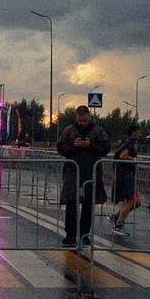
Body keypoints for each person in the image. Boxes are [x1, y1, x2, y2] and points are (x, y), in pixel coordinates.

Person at [54, 103, 110, 246]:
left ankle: (85, 234)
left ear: (89, 117)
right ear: (76, 118)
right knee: (71, 203)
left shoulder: (98, 131)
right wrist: (73, 145)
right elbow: (60, 147)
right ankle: (70, 235)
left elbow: (106, 148)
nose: (83, 123)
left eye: (85, 120)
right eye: (80, 120)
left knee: (88, 204)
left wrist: (90, 145)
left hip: (91, 171)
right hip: (73, 172)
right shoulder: (69, 130)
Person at [110, 126, 144, 234]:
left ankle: (115, 217)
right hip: (125, 175)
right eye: (138, 132)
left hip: (127, 174)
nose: (140, 134)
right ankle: (118, 223)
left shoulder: (128, 141)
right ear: (133, 133)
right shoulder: (129, 143)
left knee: (137, 201)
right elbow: (122, 156)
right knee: (134, 200)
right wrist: (134, 159)